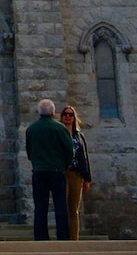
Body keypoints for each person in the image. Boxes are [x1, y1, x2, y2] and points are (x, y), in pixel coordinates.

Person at [24, 99, 74, 241]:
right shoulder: (59, 128)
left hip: (39, 171)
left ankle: (41, 237)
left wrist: (37, 163)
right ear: (53, 112)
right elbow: (69, 149)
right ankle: (63, 237)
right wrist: (64, 164)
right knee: (60, 205)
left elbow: (29, 150)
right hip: (57, 171)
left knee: (40, 205)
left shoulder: (31, 129)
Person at [60, 105, 92, 240]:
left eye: (70, 115)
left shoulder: (79, 136)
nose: (68, 117)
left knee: (74, 209)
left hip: (76, 174)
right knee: (62, 207)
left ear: (74, 118)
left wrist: (87, 178)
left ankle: (74, 239)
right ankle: (63, 237)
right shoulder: (58, 133)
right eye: (65, 114)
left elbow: (84, 157)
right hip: (62, 173)